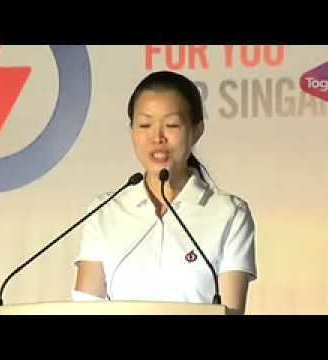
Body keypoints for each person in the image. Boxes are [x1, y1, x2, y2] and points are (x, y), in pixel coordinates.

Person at [73, 71, 257, 315]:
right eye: (145, 125)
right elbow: (86, 309)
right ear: (132, 130)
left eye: (171, 125)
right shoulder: (103, 211)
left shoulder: (229, 214)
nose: (157, 138)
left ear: (197, 130)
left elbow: (230, 312)